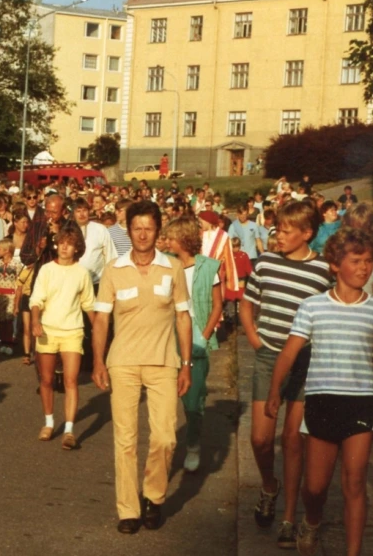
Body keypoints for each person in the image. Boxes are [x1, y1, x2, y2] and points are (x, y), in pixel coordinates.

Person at [266, 229, 373, 556]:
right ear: (335, 266)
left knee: (355, 481)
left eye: (369, 261)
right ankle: (311, 520)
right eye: (356, 261)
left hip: (361, 402)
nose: (364, 267)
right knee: (315, 487)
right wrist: (274, 392)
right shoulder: (313, 305)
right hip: (322, 402)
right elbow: (289, 351)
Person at [91, 201, 193, 534]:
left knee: (165, 438)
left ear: (158, 231)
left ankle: (154, 495)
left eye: (149, 228)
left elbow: (182, 316)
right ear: (129, 230)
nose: (143, 234)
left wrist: (186, 364)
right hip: (123, 362)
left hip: (164, 361)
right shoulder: (114, 269)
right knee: (126, 439)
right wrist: (98, 361)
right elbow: (102, 318)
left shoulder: (173, 268)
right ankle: (128, 510)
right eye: (137, 228)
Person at [241, 201, 333, 548]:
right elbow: (249, 301)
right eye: (276, 229)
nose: (277, 235)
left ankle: (290, 517)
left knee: (293, 441)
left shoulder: (323, 270)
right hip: (268, 357)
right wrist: (253, 337)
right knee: (261, 439)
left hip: (306, 362)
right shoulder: (265, 262)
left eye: (285, 230)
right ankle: (269, 486)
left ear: (307, 233)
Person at [29, 224, 95, 450]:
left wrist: (98, 331)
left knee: (71, 380)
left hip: (73, 331)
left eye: (70, 244)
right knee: (46, 380)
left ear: (77, 248)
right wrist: (36, 321)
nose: (64, 247)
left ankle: (69, 430)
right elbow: (36, 299)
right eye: (62, 243)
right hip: (47, 330)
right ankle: (48, 423)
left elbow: (88, 304)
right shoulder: (47, 270)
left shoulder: (82, 272)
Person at [165, 217, 222, 473]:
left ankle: (193, 444)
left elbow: (217, 304)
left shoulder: (209, 267)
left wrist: (205, 334)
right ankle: (166, 447)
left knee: (192, 398)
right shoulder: (166, 264)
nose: (167, 242)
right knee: (166, 396)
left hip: (197, 335)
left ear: (184, 240)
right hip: (167, 335)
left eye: (172, 238)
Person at [0, 237, 22, 355]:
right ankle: (3, 342)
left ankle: (9, 343)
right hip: (0, 295)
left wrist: (17, 298)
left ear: (7, 251)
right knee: (1, 320)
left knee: (9, 320)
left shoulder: (16, 264)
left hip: (11, 295)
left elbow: (19, 282)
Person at [225, 237, 253, 330]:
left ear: (239, 246)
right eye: (233, 246)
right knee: (230, 303)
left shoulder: (243, 255)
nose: (235, 248)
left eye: (236, 246)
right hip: (230, 281)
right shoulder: (227, 256)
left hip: (241, 281)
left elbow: (248, 269)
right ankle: (232, 323)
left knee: (240, 303)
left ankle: (240, 322)